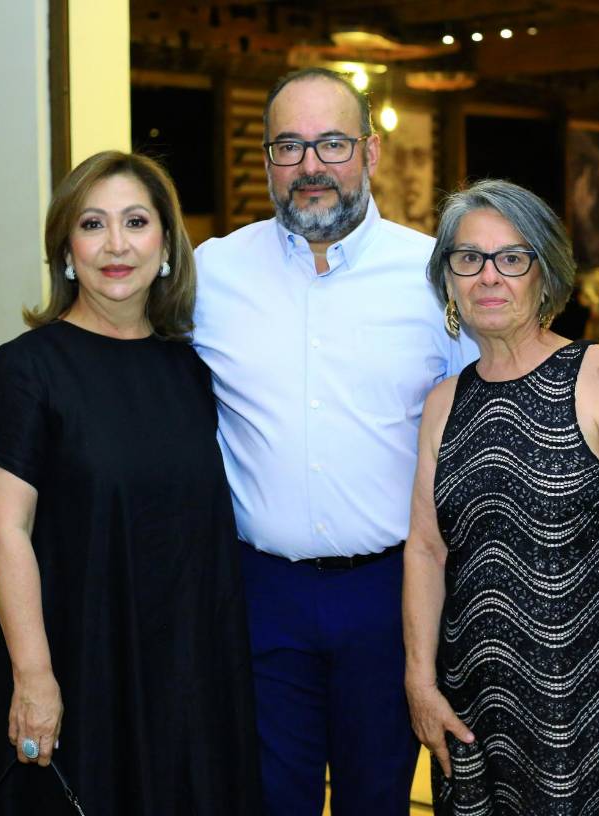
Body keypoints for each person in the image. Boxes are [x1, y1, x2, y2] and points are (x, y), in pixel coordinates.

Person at [193, 67, 478, 814]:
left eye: (332, 144)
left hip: (389, 594)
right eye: (288, 146)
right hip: (261, 594)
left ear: (370, 152)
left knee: (377, 799)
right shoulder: (212, 274)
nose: (310, 165)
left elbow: (485, 414)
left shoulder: (432, 276)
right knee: (265, 800)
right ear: (266, 159)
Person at [0, 150, 261, 813]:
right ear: (67, 251)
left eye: (135, 222)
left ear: (167, 245)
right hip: (79, 661)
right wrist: (34, 676)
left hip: (187, 668)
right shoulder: (25, 370)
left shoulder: (191, 369)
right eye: (92, 224)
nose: (116, 245)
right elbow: (4, 531)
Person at [403, 179, 599, 814]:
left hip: (590, 706)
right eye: (468, 258)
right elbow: (426, 550)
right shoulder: (442, 404)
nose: (488, 276)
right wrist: (420, 681)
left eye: (511, 258)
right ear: (448, 280)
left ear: (544, 273)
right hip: (475, 708)